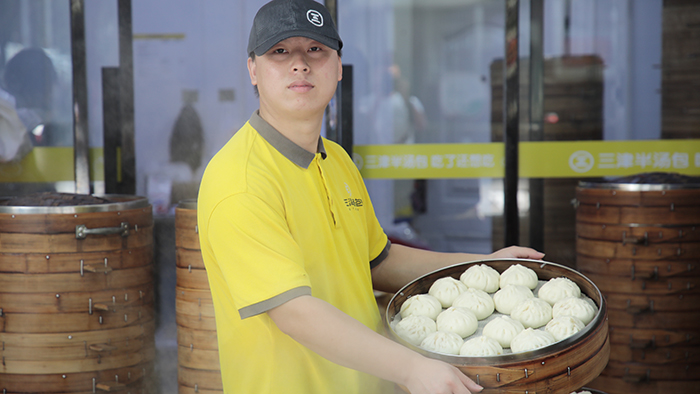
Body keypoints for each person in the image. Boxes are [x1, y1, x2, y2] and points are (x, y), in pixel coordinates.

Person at [197, 1, 544, 393]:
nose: (300, 64)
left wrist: (485, 266)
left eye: (316, 50)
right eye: (280, 51)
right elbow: (294, 312)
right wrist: (413, 369)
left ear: (338, 67)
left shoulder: (336, 160)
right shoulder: (241, 181)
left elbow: (380, 260)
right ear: (253, 70)